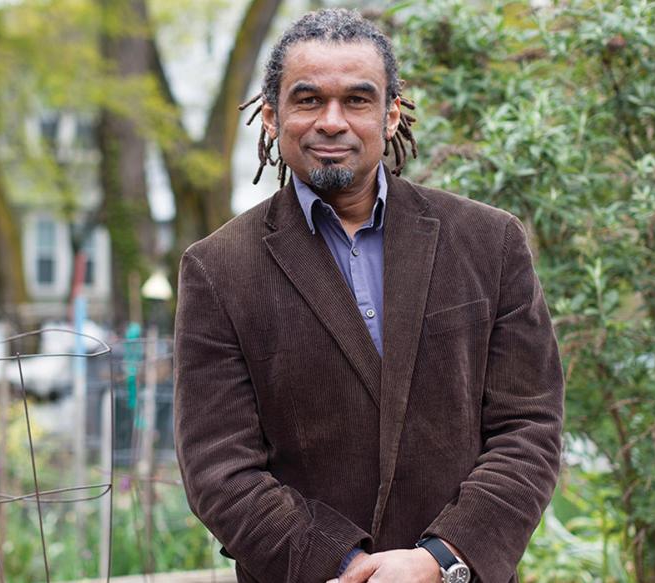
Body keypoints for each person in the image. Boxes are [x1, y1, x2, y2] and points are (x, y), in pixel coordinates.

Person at [173, 8, 564, 583]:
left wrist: (441, 559)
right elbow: (219, 468)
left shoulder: (489, 242)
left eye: (357, 100)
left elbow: (529, 426)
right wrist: (344, 566)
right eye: (308, 100)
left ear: (391, 113)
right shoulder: (217, 268)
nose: (332, 122)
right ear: (271, 116)